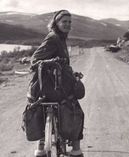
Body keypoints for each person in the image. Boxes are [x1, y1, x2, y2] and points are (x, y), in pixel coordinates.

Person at [29, 10, 84, 157]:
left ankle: (40, 150)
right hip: (52, 86)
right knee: (77, 111)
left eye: (69, 22)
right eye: (64, 21)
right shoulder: (53, 38)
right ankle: (76, 151)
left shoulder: (60, 38)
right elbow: (34, 61)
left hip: (49, 86)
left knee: (41, 111)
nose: (67, 24)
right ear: (56, 23)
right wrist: (51, 63)